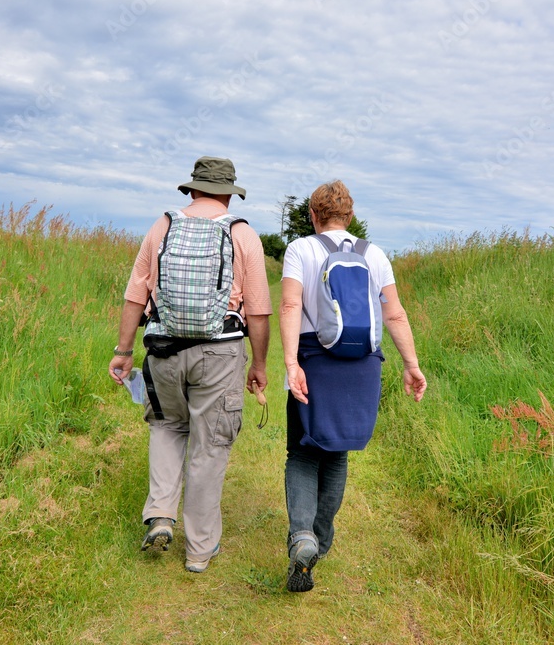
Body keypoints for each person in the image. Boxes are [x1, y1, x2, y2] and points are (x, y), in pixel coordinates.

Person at [108, 156, 271, 573]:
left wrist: (124, 353)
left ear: (192, 189)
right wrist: (260, 365)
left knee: (166, 427)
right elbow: (259, 311)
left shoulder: (162, 226)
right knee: (209, 445)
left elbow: (134, 296)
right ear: (229, 193)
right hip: (220, 353)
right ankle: (199, 551)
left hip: (162, 349)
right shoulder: (242, 233)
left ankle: (161, 513)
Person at [279, 180, 426, 592]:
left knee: (305, 451)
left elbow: (290, 304)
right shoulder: (374, 254)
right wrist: (411, 364)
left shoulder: (301, 249)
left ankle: (302, 536)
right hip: (363, 364)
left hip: (314, 359)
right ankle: (320, 541)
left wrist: (291, 363)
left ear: (313, 215)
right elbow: (394, 314)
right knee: (338, 453)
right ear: (351, 215)